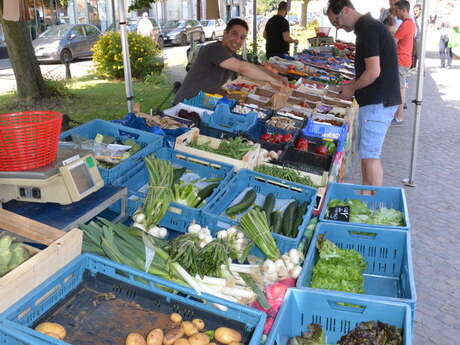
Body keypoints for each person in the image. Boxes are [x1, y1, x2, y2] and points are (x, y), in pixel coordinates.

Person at [326, 0, 401, 187]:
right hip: (379, 100)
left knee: (371, 156)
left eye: (336, 22)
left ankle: (373, 204)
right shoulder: (368, 27)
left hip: (378, 102)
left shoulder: (367, 30)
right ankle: (366, 195)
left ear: (346, 10)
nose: (339, 27)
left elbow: (373, 71)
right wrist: (350, 84)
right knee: (367, 154)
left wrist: (351, 88)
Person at [174, 18, 288, 104]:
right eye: (234, 34)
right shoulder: (214, 49)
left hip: (202, 102)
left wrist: (277, 77)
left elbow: (254, 66)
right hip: (184, 105)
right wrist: (271, 80)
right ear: (225, 33)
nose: (238, 40)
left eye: (242, 37)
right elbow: (242, 68)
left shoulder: (232, 55)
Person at [392, 0, 416, 124]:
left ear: (403, 10)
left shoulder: (406, 24)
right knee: (401, 88)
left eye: (397, 11)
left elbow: (393, 42)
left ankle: (399, 117)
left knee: (400, 90)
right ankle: (397, 115)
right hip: (404, 60)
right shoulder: (410, 23)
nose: (396, 14)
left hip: (401, 60)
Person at [412, 4, 422, 68]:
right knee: (414, 54)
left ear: (420, 10)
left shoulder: (422, 19)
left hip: (420, 39)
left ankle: (421, 70)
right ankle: (414, 67)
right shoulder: (414, 18)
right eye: (414, 11)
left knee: (419, 55)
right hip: (415, 38)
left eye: (416, 10)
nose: (415, 12)